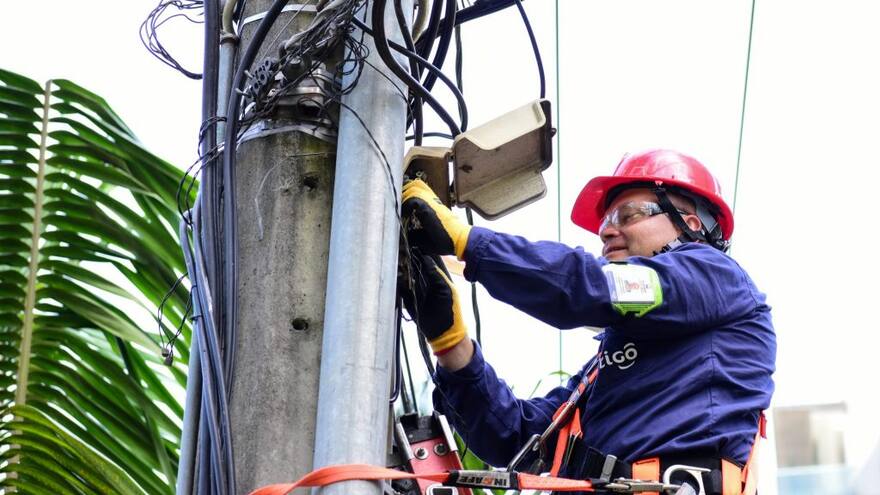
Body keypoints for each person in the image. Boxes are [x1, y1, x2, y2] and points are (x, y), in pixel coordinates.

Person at [400, 149, 776, 495]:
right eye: (606, 224)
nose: (608, 231)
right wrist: (452, 345)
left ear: (689, 225)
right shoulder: (605, 372)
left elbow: (594, 286)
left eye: (628, 216)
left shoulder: (716, 277)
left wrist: (467, 241)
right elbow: (513, 436)